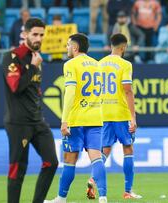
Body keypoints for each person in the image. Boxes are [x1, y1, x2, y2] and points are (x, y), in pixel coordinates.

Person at [45, 33, 107, 203]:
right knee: (96, 157)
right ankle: (103, 197)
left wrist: (64, 120)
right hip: (95, 118)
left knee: (70, 160)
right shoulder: (97, 65)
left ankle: (61, 198)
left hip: (77, 119)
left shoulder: (70, 64)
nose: (66, 48)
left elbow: (70, 93)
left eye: (67, 45)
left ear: (75, 47)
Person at [2, 18, 58, 203]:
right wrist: (34, 67)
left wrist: (35, 66)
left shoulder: (37, 58)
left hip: (37, 121)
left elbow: (35, 90)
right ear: (25, 34)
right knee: (18, 169)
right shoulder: (12, 56)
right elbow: (15, 86)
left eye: (42, 35)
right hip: (18, 122)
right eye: (35, 34)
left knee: (52, 162)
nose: (39, 38)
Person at [86, 33, 142, 200]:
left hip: (103, 113)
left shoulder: (99, 64)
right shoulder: (125, 64)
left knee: (105, 150)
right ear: (124, 47)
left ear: (111, 45)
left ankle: (92, 178)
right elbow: (127, 90)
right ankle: (127, 191)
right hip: (120, 113)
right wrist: (133, 117)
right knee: (128, 148)